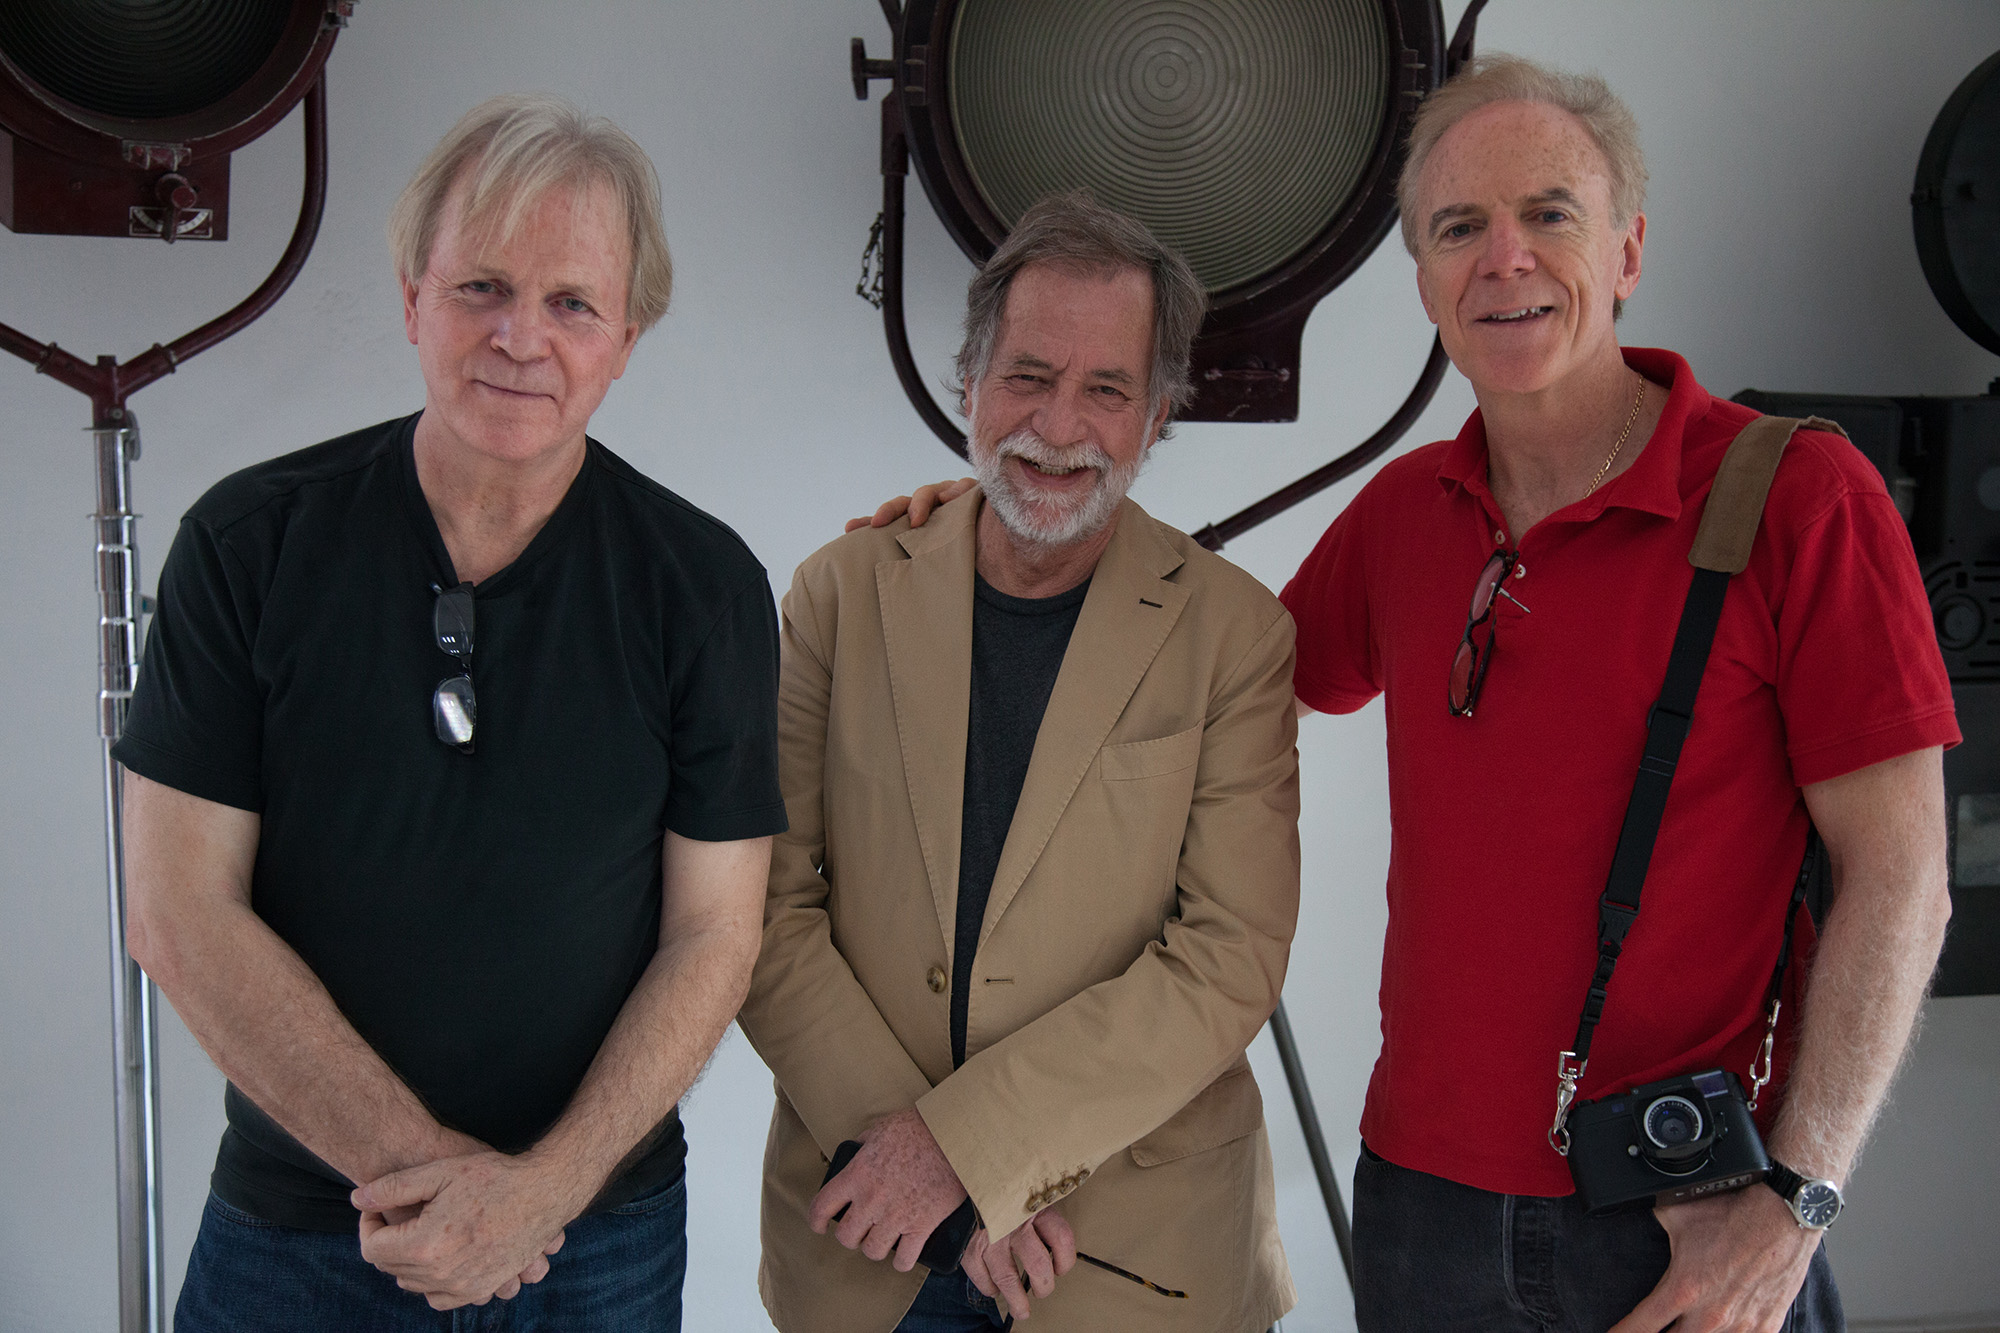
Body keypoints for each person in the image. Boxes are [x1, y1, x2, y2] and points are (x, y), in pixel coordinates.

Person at [867, 56, 1957, 1333]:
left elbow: (1901, 879)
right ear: (1425, 278)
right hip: (1421, 1212)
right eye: (1457, 228)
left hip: (1683, 1213)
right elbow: (1182, 692)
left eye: (1549, 213)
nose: (1503, 259)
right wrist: (1007, 528)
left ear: (1626, 250)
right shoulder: (1404, 517)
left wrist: (1797, 1200)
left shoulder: (1796, 500)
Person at [118, 94, 787, 1329]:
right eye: (481, 285)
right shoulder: (246, 544)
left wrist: (543, 1192)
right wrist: (432, 1190)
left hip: (592, 1239)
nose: (519, 338)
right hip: (303, 1229)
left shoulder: (703, 587)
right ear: (411, 297)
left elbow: (716, 934)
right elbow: (176, 909)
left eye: (572, 302)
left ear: (627, 334)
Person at [736, 191, 1302, 1333]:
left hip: (1134, 1261)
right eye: (1028, 376)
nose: (1058, 424)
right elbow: (759, 904)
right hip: (867, 1244)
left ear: (1157, 416)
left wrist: (974, 1152)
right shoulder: (836, 595)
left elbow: (1226, 955)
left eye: (1107, 389)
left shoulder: (1233, 636)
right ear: (969, 384)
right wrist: (923, 1172)